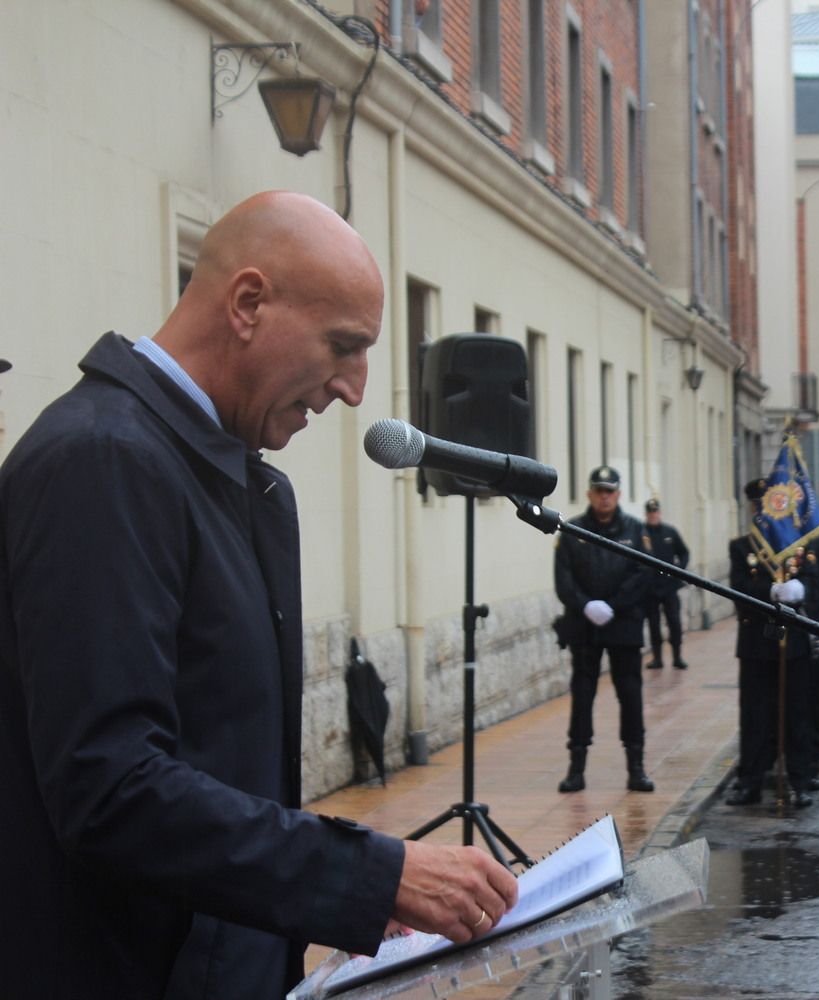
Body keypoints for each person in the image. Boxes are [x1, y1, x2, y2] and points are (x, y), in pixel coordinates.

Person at [0, 192, 518, 1000]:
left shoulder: (227, 476)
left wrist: (328, 892)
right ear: (247, 304)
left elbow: (219, 766)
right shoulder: (102, 462)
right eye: (343, 346)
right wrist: (370, 876)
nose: (354, 389)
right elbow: (111, 789)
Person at [725, 479, 819, 808]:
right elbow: (739, 590)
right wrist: (769, 594)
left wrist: (802, 592)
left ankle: (800, 779)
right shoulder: (742, 547)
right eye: (758, 505)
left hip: (795, 642)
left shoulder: (803, 549)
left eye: (770, 503)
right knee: (755, 716)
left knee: (797, 714)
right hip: (757, 643)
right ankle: (751, 782)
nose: (763, 510)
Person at [554, 465, 654, 793]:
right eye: (599, 490)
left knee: (630, 694)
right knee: (582, 696)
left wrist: (615, 604)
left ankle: (636, 768)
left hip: (622, 623)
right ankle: (576, 768)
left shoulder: (635, 529)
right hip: (584, 624)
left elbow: (642, 574)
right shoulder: (571, 531)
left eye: (610, 491)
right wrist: (585, 605)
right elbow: (563, 579)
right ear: (589, 494)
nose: (604, 496)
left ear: (619, 494)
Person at [641, 497, 690, 671]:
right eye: (650, 512)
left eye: (655, 512)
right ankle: (657, 658)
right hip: (650, 588)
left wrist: (679, 569)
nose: (653, 515)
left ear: (659, 513)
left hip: (670, 586)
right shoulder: (641, 533)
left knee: (674, 622)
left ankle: (677, 656)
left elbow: (684, 552)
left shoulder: (670, 532)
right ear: (646, 514)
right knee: (654, 623)